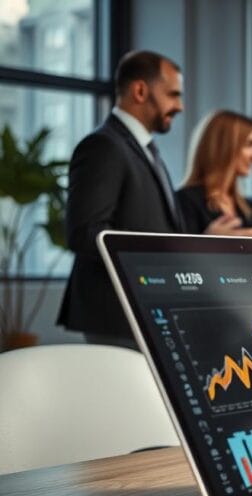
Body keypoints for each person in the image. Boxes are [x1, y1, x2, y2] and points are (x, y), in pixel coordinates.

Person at [59, 50, 184, 349]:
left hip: (144, 307)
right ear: (140, 90)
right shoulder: (103, 145)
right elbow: (84, 232)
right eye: (173, 94)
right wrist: (153, 254)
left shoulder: (146, 150)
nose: (179, 106)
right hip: (115, 312)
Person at [176, 110, 252, 236]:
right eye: (250, 144)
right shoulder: (185, 201)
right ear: (224, 146)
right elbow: (177, 255)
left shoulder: (246, 206)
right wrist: (208, 242)